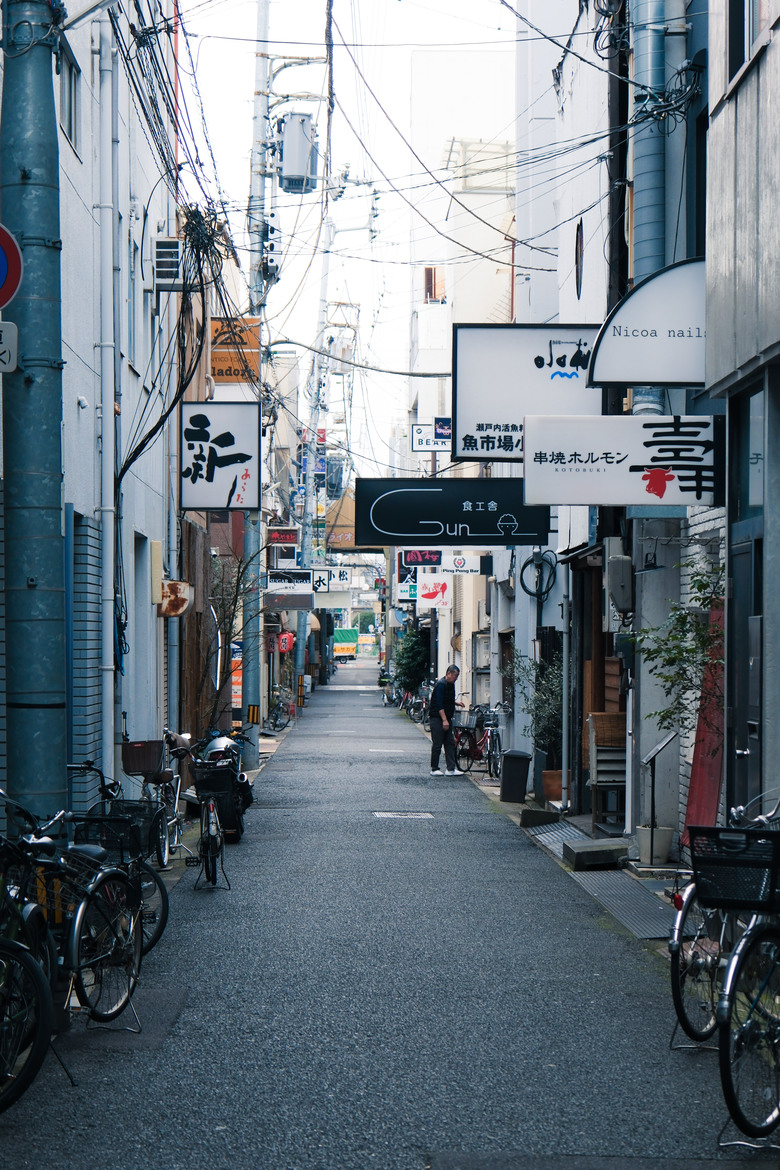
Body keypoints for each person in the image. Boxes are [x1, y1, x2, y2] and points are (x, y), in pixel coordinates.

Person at [428, 664, 464, 776]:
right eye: (455, 676)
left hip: (446, 718)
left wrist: (455, 703)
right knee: (437, 743)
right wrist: (444, 720)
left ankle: (451, 769)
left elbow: (447, 699)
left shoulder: (450, 684)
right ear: (449, 674)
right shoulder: (441, 685)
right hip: (437, 718)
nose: (456, 678)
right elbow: (439, 704)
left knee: (450, 743)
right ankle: (434, 768)